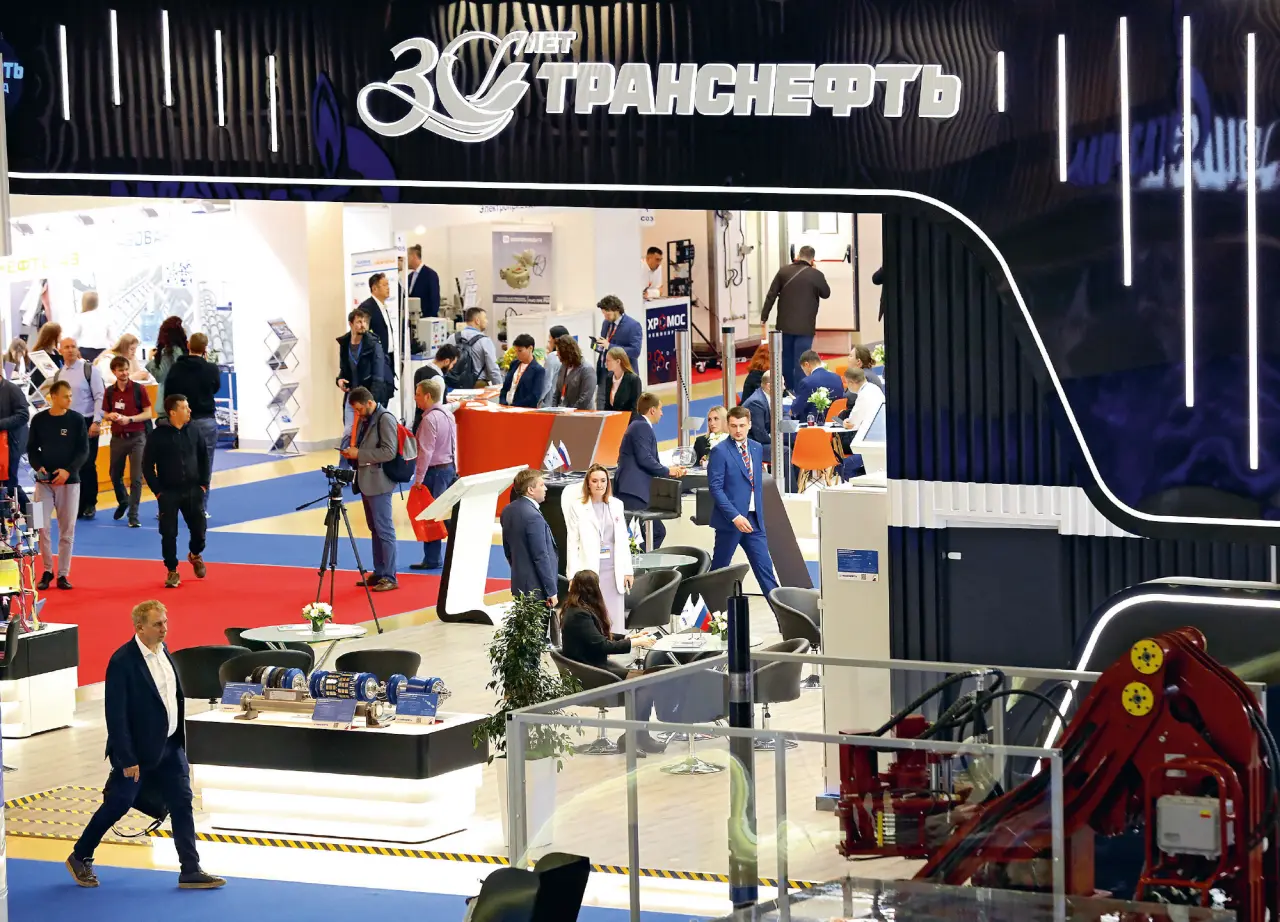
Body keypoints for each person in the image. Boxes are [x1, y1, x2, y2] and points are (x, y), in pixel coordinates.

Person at [65, 600, 225, 891]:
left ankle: (190, 869)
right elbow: (116, 714)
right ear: (140, 628)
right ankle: (80, 855)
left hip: (170, 747)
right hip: (137, 753)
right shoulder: (122, 662)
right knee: (118, 804)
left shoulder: (164, 653)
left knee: (182, 803)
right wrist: (127, 758)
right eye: (157, 624)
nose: (164, 628)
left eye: (165, 622)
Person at [559, 570, 664, 753]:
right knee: (646, 684)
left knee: (647, 680)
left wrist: (629, 637)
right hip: (591, 674)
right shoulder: (579, 615)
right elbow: (602, 646)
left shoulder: (576, 610)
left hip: (593, 668)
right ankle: (636, 737)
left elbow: (596, 636)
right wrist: (635, 643)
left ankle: (637, 736)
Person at [707, 406, 779, 597]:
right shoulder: (719, 451)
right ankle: (710, 612)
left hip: (754, 521)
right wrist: (735, 516)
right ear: (728, 426)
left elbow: (755, 484)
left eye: (741, 425)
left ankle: (784, 616)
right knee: (719, 572)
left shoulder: (756, 448)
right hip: (730, 522)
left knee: (766, 572)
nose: (738, 430)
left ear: (749, 425)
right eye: (733, 426)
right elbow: (716, 489)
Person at [142, 395, 210, 589]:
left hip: (193, 490)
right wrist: (158, 491)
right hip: (168, 492)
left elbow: (204, 458)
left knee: (199, 530)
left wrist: (203, 485)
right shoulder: (157, 436)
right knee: (169, 533)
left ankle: (195, 554)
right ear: (173, 412)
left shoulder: (195, 431)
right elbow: (147, 466)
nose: (189, 411)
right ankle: (172, 570)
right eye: (184, 408)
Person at [28, 380, 89, 590]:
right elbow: (32, 449)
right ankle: (47, 570)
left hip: (69, 483)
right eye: (65, 396)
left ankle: (63, 574)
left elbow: (83, 451)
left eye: (71, 396)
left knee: (67, 530)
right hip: (43, 483)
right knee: (41, 527)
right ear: (53, 397)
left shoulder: (77, 420)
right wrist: (38, 467)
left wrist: (68, 471)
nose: (69, 400)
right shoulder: (39, 420)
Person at [339, 387, 400, 592]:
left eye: (359, 409)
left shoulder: (385, 419)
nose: (357, 413)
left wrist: (359, 454)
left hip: (380, 482)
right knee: (375, 529)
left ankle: (390, 576)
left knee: (384, 530)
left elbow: (389, 452)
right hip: (367, 480)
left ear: (369, 403)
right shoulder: (367, 419)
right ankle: (380, 572)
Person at [563, 464, 634, 635]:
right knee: (594, 613)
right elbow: (572, 543)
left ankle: (614, 644)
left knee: (614, 615)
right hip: (590, 569)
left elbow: (623, 540)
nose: (599, 485)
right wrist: (572, 575)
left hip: (614, 568)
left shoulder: (617, 505)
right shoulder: (577, 507)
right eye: (595, 481)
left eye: (603, 481)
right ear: (588, 483)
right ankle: (598, 644)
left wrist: (628, 570)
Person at [615, 392, 686, 550]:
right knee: (653, 533)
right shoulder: (641, 426)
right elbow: (645, 458)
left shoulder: (638, 425)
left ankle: (638, 561)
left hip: (633, 491)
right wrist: (668, 471)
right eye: (660, 409)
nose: (662, 413)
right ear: (652, 410)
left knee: (647, 533)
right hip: (634, 492)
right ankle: (638, 563)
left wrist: (668, 468)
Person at [162, 333, 221, 515]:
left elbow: (168, 394)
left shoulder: (176, 369)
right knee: (205, 465)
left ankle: (171, 505)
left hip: (182, 421)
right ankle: (200, 508)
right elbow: (215, 388)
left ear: (188, 345)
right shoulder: (211, 369)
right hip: (206, 420)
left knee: (177, 464)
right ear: (205, 348)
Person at [759, 245, 831, 393]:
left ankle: (785, 390)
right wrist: (815, 272)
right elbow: (826, 293)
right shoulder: (816, 274)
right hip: (805, 326)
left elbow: (771, 294)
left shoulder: (783, 271)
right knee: (802, 360)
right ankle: (800, 392)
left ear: (798, 255)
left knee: (785, 359)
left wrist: (764, 316)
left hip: (784, 325)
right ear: (812, 259)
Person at [52, 337, 106, 520]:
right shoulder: (59, 374)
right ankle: (76, 504)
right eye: (66, 347)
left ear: (78, 349)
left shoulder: (89, 370)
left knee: (88, 464)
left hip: (87, 421)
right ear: (60, 350)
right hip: (67, 423)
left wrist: (97, 421)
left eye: (73, 346)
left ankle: (90, 503)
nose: (70, 350)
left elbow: (100, 397)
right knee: (71, 464)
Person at [410, 377, 456, 571]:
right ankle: (453, 552)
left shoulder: (429, 420)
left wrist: (418, 479)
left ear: (428, 396)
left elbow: (426, 452)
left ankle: (433, 558)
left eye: (418, 394)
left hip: (434, 472)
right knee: (444, 514)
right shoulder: (448, 414)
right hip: (448, 468)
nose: (415, 398)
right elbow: (454, 443)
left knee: (432, 516)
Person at [499, 469, 558, 614]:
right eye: (542, 485)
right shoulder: (533, 517)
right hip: (537, 590)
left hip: (520, 585)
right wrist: (551, 591)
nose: (546, 488)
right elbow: (540, 556)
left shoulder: (507, 511)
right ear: (531, 490)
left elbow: (508, 550)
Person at [103, 355, 151, 527]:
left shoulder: (139, 389)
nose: (124, 373)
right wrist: (111, 416)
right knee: (115, 474)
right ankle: (123, 500)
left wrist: (130, 419)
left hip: (137, 437)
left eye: (126, 369)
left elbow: (148, 413)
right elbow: (105, 413)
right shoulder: (110, 391)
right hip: (118, 438)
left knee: (136, 478)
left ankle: (133, 514)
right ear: (114, 372)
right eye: (120, 370)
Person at [337, 307, 388, 429]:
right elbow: (344, 370)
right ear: (351, 324)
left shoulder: (373, 345)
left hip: (367, 396)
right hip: (351, 395)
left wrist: (371, 401)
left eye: (365, 321)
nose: (363, 325)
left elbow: (378, 377)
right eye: (359, 322)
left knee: (365, 431)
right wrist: (339, 380)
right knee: (349, 431)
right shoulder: (344, 344)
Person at [593, 295, 643, 409]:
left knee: (622, 408)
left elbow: (635, 351)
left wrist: (610, 346)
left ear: (616, 310)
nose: (605, 317)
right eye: (603, 314)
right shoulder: (606, 323)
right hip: (604, 371)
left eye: (607, 314)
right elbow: (605, 345)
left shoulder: (633, 326)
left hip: (623, 374)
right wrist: (598, 346)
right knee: (601, 406)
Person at [357, 272, 397, 388]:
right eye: (384, 285)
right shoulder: (367, 307)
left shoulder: (383, 306)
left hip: (388, 358)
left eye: (388, 284)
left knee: (388, 391)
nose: (388, 288)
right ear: (374, 288)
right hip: (376, 361)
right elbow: (363, 335)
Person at [411, 342, 459, 433]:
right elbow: (438, 410)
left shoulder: (419, 371)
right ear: (446, 361)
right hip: (431, 428)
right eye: (452, 364)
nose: (451, 368)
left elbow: (425, 398)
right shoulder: (437, 378)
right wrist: (459, 404)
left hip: (418, 424)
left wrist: (444, 398)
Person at [0, 375, 30, 513]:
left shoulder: (12, 390)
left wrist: (1, 424)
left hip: (11, 443)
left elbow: (23, 415)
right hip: (3, 444)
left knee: (10, 484)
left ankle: (33, 518)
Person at [791, 350, 844, 422]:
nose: (804, 372)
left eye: (803, 369)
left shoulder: (806, 382)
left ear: (807, 364)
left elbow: (797, 408)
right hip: (835, 422)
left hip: (812, 424)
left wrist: (793, 404)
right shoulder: (837, 378)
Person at [147, 316, 188, 407]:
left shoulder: (169, 351)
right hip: (182, 400)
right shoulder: (184, 350)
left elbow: (160, 377)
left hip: (168, 402)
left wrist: (150, 359)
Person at [499, 333, 546, 408]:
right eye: (516, 351)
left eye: (520, 351)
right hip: (506, 407)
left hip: (524, 409)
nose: (517, 354)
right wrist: (503, 402)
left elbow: (534, 396)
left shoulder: (538, 370)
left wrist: (514, 406)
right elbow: (505, 388)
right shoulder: (514, 364)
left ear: (530, 348)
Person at [552, 336, 596, 410]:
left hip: (581, 414)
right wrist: (553, 409)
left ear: (566, 352)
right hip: (563, 412)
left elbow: (585, 398)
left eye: (558, 351)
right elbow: (557, 393)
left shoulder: (587, 369)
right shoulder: (563, 366)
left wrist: (570, 412)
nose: (557, 354)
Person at [70, 291, 113, 362]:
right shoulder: (104, 317)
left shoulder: (79, 317)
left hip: (84, 352)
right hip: (102, 352)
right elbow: (112, 338)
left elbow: (73, 336)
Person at [602, 347, 641, 418]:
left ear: (618, 361)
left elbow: (635, 408)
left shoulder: (634, 380)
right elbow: (607, 405)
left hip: (628, 421)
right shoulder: (609, 378)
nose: (606, 363)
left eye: (608, 360)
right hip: (613, 420)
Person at [406, 244, 441, 318]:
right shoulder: (410, 277)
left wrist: (428, 319)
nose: (405, 261)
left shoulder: (430, 275)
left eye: (407, 258)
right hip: (412, 319)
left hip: (426, 319)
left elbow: (434, 301)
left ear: (413, 256)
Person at [539, 324, 569, 407]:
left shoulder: (553, 356)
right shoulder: (569, 356)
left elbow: (547, 382)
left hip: (550, 401)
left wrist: (540, 401)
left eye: (549, 341)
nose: (548, 344)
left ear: (555, 341)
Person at [29, 322, 63, 390]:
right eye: (60, 333)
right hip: (43, 389)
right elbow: (40, 378)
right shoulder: (39, 355)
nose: (61, 336)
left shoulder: (55, 352)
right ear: (53, 336)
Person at [742, 372, 773, 447]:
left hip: (766, 436)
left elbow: (784, 413)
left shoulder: (770, 395)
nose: (784, 387)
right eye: (782, 384)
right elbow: (760, 434)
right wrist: (777, 443)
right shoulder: (756, 402)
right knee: (786, 450)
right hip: (754, 445)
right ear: (769, 386)